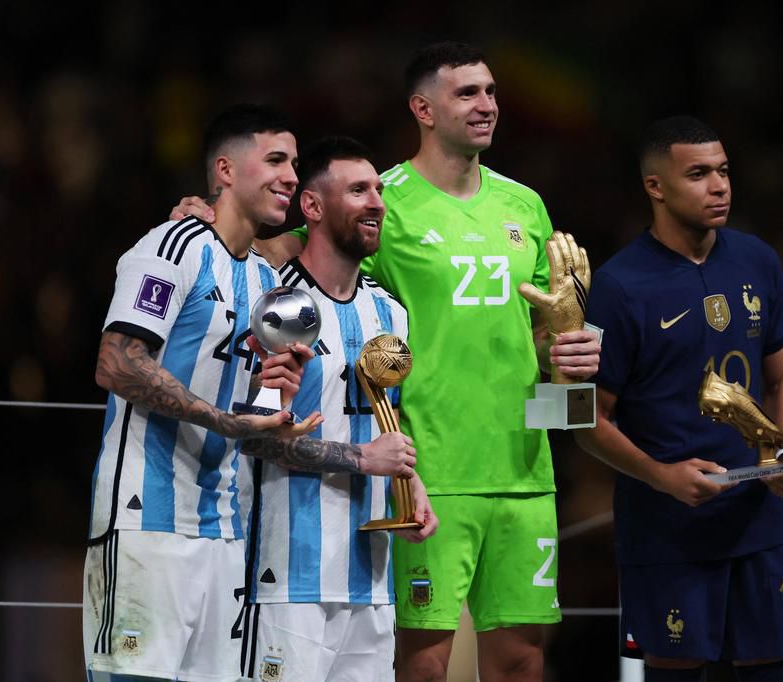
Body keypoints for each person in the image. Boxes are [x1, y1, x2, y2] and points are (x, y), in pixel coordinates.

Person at [171, 42, 601, 682]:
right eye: (467, 94)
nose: (487, 105)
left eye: (490, 91)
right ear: (422, 109)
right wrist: (216, 218)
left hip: (523, 467)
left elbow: (539, 331)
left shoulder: (525, 206)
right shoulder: (384, 200)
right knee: (420, 662)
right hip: (428, 465)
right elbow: (300, 246)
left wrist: (570, 345)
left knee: (525, 658)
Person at [83, 104, 418, 682]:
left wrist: (274, 412)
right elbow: (116, 363)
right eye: (275, 160)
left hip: (227, 530)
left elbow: (265, 402)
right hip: (147, 519)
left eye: (294, 162)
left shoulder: (269, 284)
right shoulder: (175, 245)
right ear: (225, 171)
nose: (290, 174)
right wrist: (228, 422)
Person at [576, 116, 783, 682]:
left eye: (724, 171)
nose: (720, 186)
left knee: (779, 670)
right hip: (668, 527)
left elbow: (779, 386)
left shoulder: (758, 260)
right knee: (676, 671)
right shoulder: (618, 285)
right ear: (655, 187)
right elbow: (583, 419)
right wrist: (661, 476)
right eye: (699, 174)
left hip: (758, 521)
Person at [238, 135, 439, 682]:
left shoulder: (389, 313)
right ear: (313, 206)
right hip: (285, 578)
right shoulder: (274, 302)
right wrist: (363, 459)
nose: (376, 201)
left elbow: (382, 425)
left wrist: (408, 484)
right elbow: (251, 437)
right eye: (357, 190)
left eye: (378, 189)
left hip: (370, 583)